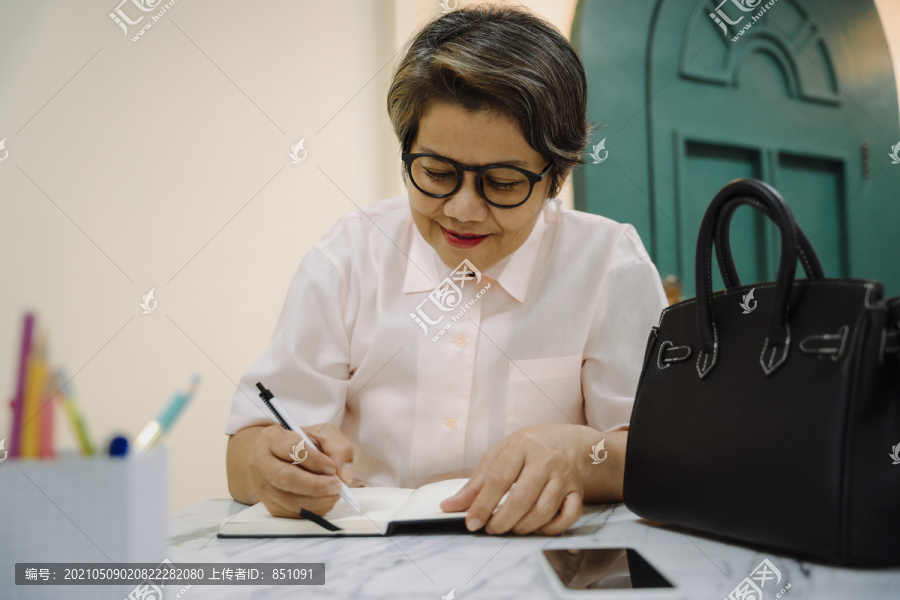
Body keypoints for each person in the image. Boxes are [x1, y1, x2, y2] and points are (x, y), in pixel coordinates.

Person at [225, 4, 666, 536]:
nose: (462, 209)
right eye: (436, 173)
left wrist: (581, 456)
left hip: (539, 559)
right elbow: (247, 452)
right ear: (406, 151)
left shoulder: (607, 264)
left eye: (502, 183)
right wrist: (267, 464)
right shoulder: (349, 254)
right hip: (369, 559)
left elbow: (658, 453)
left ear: (557, 175)